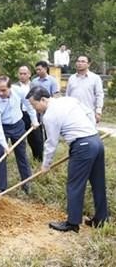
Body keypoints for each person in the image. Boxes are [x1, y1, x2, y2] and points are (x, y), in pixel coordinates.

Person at [27, 86, 108, 233]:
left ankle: (72, 223)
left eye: (34, 105)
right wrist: (90, 130)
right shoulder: (68, 100)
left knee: (75, 185)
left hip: (82, 146)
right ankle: (101, 219)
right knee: (98, 183)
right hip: (96, 141)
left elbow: (51, 143)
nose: (35, 108)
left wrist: (46, 165)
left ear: (43, 99)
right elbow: (89, 112)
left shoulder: (49, 116)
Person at [0, 75, 39, 193]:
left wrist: (34, 120)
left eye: (3, 90)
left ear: (10, 87)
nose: (0, 93)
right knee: (1, 155)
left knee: (21, 154)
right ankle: (2, 187)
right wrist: (5, 146)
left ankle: (26, 184)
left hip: (18, 125)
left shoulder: (19, 91)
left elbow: (29, 105)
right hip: (3, 127)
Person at [14, 65, 44, 162]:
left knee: (37, 140)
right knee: (19, 140)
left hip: (33, 115)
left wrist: (35, 118)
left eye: (25, 74)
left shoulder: (35, 86)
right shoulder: (14, 87)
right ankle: (22, 160)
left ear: (30, 74)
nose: (22, 76)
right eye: (20, 74)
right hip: (19, 115)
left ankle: (38, 159)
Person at [66, 55, 104, 125]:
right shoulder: (72, 78)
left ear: (88, 64)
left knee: (90, 134)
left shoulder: (95, 78)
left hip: (89, 113)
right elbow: (67, 96)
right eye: (78, 61)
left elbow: (99, 95)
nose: (80, 63)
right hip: (73, 113)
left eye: (83, 61)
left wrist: (98, 111)